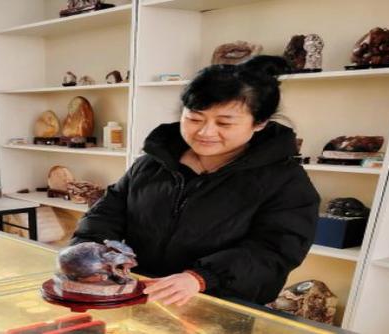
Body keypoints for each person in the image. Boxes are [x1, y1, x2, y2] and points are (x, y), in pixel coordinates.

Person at [71, 56, 320, 306]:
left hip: (218, 305)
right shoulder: (154, 162)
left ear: (260, 123)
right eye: (194, 118)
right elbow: (108, 212)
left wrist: (202, 277)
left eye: (224, 122)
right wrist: (89, 252)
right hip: (141, 294)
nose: (205, 132)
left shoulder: (285, 180)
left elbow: (275, 250)